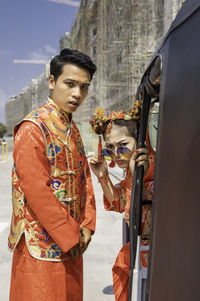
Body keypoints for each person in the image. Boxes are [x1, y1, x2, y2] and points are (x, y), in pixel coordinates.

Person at [8, 48, 97, 301]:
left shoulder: (71, 128)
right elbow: (37, 192)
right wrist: (72, 234)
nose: (77, 93)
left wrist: (88, 225)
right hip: (41, 248)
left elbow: (85, 180)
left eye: (84, 87)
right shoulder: (32, 128)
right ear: (51, 82)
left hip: (73, 244)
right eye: (70, 84)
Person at [89, 101, 154, 301]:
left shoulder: (154, 168)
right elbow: (119, 202)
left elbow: (146, 207)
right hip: (140, 250)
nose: (116, 154)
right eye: (109, 147)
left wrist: (137, 178)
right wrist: (103, 177)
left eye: (123, 145)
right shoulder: (132, 171)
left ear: (140, 140)